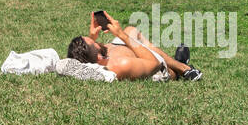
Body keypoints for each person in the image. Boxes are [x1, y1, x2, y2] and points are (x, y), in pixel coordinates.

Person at [65, 10, 202, 81]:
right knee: (128, 35)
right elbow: (153, 63)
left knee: (131, 30)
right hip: (154, 66)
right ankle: (182, 69)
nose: (97, 41)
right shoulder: (121, 64)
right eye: (95, 43)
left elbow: (89, 55)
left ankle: (181, 65)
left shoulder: (94, 58)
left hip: (118, 52)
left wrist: (91, 38)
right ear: (99, 57)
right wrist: (121, 35)